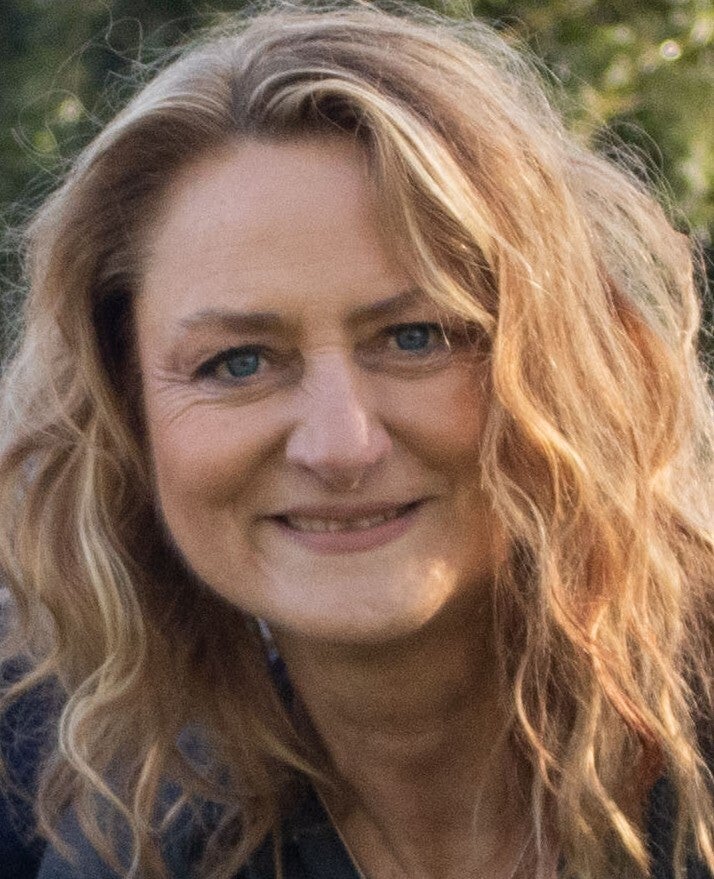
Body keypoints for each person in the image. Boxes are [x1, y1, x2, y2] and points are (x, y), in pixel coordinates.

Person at [0, 3, 712, 878]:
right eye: (238, 361)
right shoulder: (110, 830)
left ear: (564, 361)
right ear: (124, 412)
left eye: (416, 337)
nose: (341, 444)